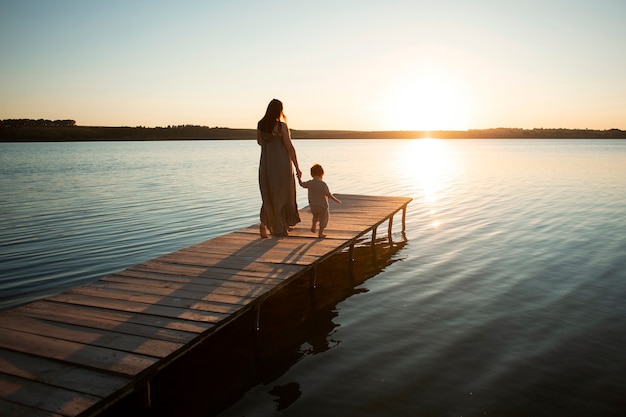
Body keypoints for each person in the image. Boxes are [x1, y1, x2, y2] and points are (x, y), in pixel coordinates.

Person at [257, 99, 302, 238]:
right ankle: (279, 227)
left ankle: (266, 224)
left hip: (266, 165)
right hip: (282, 165)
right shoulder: (281, 126)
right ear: (279, 110)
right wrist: (297, 167)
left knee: (269, 195)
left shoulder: (261, 125)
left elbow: (260, 142)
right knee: (283, 195)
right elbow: (289, 147)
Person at [298, 163, 342, 238]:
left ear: (312, 174)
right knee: (323, 219)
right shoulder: (323, 184)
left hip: (313, 206)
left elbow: (302, 184)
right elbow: (328, 194)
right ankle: (320, 233)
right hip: (323, 206)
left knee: (315, 216)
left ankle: (314, 225)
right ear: (322, 174)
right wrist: (336, 200)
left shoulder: (310, 183)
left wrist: (299, 178)